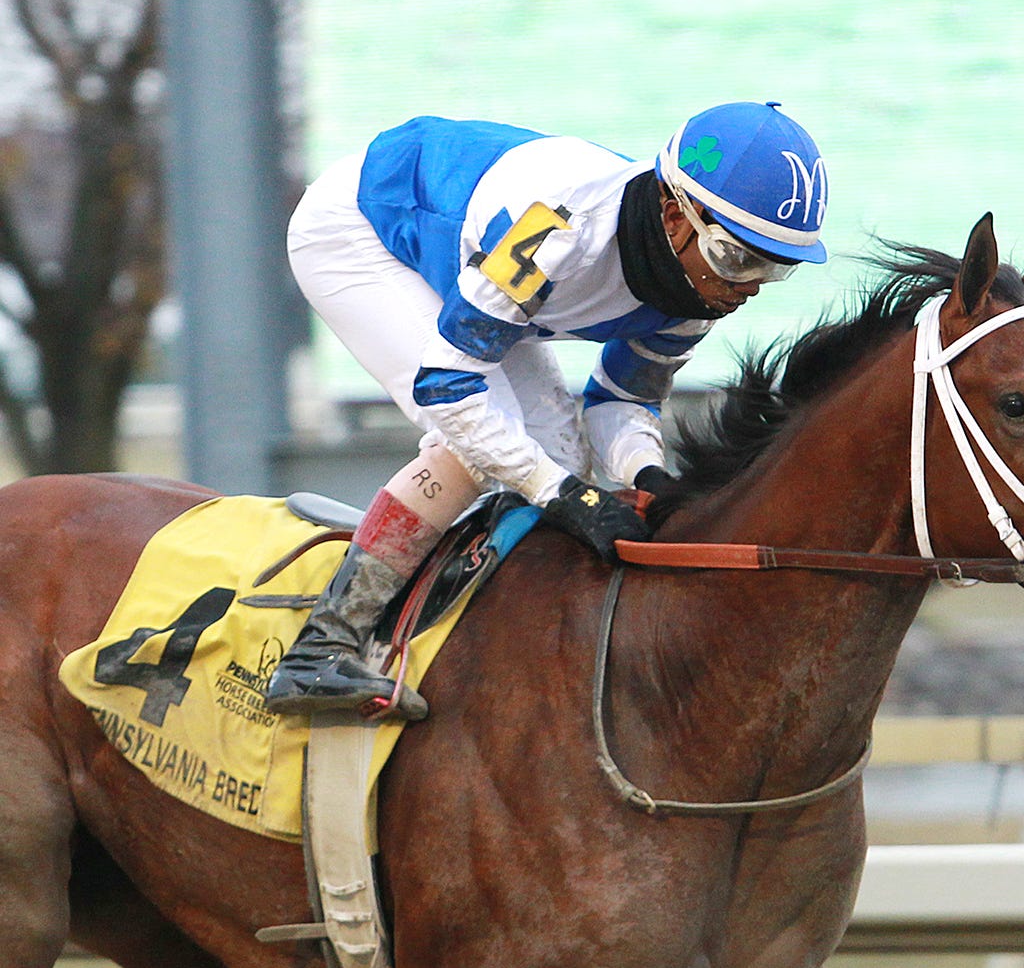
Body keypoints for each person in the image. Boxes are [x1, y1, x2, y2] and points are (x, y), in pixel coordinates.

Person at [264, 101, 829, 719]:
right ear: (675, 216)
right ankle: (322, 645)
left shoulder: (698, 289)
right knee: (488, 446)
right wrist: (559, 493)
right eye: (738, 259)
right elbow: (446, 385)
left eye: (774, 268)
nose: (746, 289)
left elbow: (621, 399)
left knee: (560, 456)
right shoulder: (557, 231)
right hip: (361, 232)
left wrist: (649, 477)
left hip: (466, 262)